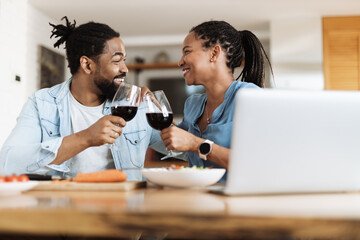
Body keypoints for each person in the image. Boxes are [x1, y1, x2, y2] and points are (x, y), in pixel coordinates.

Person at [0, 17, 166, 180]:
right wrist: (86, 138)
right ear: (87, 65)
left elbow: (181, 149)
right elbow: (7, 163)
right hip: (62, 206)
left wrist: (162, 114)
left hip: (125, 205)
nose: (125, 69)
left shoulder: (133, 103)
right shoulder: (42, 103)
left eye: (124, 60)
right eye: (116, 61)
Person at [160, 20, 272, 173]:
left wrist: (196, 144)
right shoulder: (192, 104)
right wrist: (146, 106)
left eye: (187, 51)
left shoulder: (250, 97)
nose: (180, 62)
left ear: (214, 53)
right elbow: (173, 141)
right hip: (196, 194)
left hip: (236, 196)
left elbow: (259, 163)